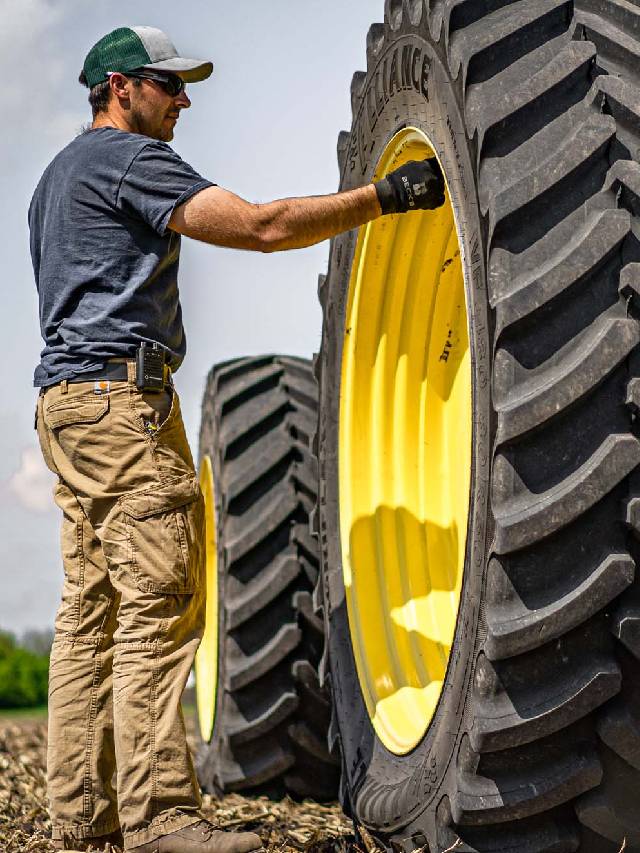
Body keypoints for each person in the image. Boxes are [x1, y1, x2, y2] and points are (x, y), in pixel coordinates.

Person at [29, 25, 445, 853]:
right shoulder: (128, 162)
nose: (185, 99)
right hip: (121, 402)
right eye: (169, 85)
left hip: (64, 405)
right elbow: (259, 226)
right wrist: (387, 197)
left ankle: (79, 817)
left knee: (92, 611)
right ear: (120, 88)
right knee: (160, 599)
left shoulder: (52, 181)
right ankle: (161, 819)